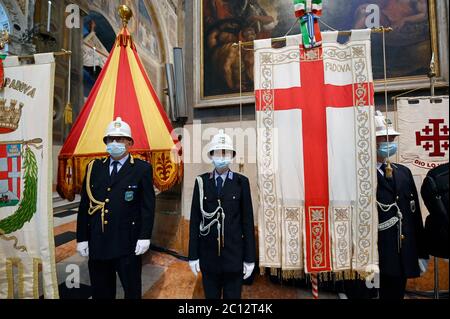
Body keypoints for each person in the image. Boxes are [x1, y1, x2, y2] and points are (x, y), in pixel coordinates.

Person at [76, 117, 156, 299]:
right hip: (99, 242)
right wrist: (82, 238)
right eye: (110, 139)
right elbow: (84, 206)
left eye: (119, 139)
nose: (114, 143)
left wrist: (144, 236)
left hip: (127, 243)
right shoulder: (93, 168)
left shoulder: (142, 169)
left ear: (129, 142)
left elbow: (147, 207)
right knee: (101, 291)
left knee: (132, 290)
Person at [188, 130, 256, 299]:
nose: (221, 156)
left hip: (233, 257)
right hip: (208, 257)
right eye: (217, 152)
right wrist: (193, 255)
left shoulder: (241, 182)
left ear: (232, 155)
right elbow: (195, 220)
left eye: (225, 152)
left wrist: (249, 258)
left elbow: (247, 222)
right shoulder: (201, 182)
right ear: (211, 155)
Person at [374, 111, 429, 299]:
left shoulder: (403, 173)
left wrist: (421, 253)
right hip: (377, 257)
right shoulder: (361, 178)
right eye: (383, 137)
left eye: (392, 137)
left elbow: (414, 217)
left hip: (402, 256)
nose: (389, 142)